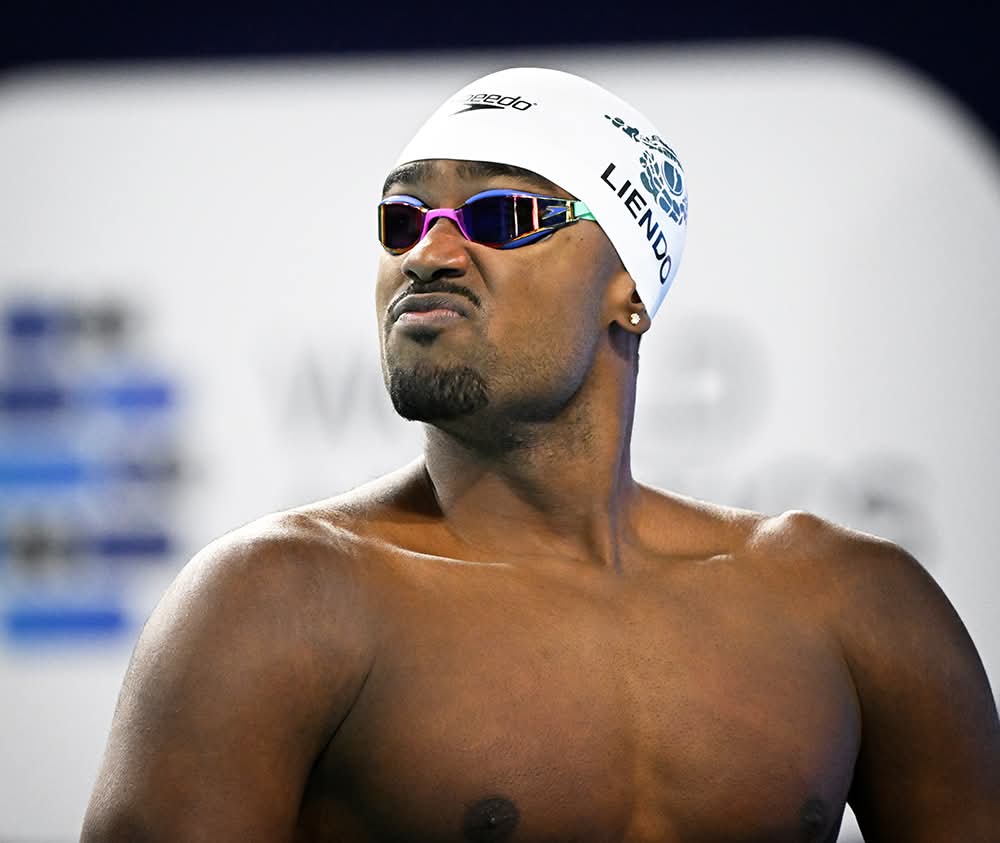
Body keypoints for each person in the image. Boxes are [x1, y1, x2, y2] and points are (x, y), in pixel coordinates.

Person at [81, 67, 999, 843]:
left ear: (628, 291)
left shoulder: (855, 608)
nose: (431, 252)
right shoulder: (273, 607)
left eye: (502, 212)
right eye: (402, 220)